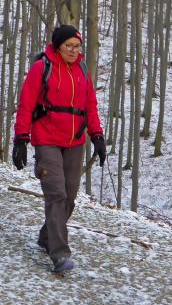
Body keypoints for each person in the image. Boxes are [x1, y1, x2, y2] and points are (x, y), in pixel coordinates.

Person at [12, 25, 106, 273]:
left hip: (74, 141)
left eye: (77, 46)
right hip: (47, 139)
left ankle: (47, 237)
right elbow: (26, 103)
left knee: (70, 198)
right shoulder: (42, 68)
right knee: (56, 194)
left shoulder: (83, 71)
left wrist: (97, 135)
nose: (75, 51)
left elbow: (90, 105)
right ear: (58, 46)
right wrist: (20, 138)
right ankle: (60, 254)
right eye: (69, 46)